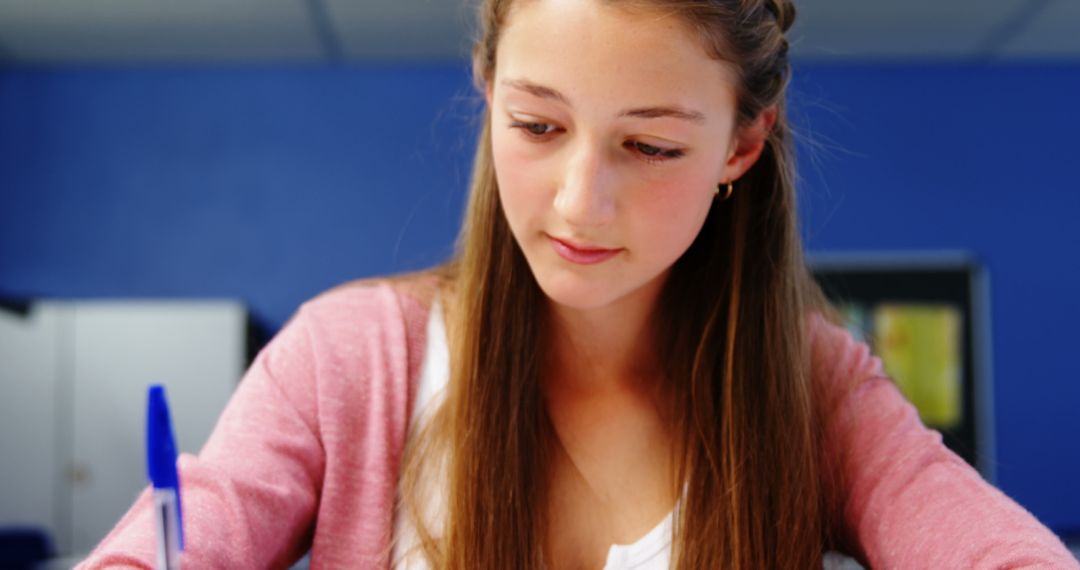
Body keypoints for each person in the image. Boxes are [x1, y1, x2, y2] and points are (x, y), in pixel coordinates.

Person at [78, 0, 1077, 568]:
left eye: (648, 144)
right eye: (538, 127)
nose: (579, 202)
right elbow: (184, 531)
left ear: (740, 144)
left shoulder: (815, 389)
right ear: (487, 94)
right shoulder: (349, 361)